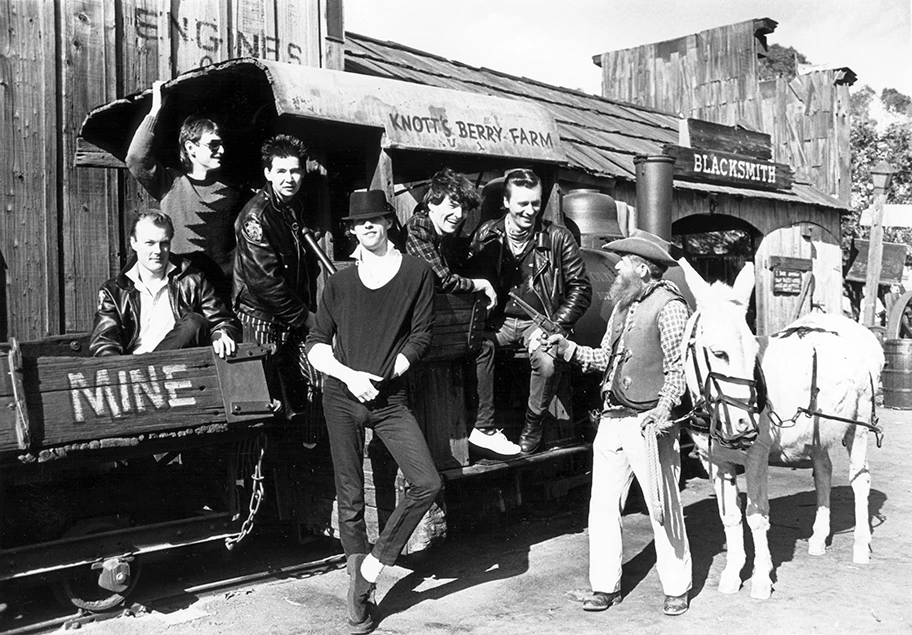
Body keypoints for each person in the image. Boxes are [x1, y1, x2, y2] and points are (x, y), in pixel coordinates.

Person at [306, 190, 440, 634]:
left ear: (387, 223)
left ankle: (373, 568)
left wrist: (389, 373)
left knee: (426, 482)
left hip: (389, 401)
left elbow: (421, 335)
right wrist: (350, 376)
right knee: (349, 496)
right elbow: (316, 345)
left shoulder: (417, 273)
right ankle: (357, 592)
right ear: (351, 230)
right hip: (342, 397)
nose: (367, 228)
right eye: (358, 223)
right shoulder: (340, 283)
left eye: (375, 220)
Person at [546, 229, 692, 617]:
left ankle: (677, 586)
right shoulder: (623, 306)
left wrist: (664, 411)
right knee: (602, 505)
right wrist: (566, 349)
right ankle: (604, 586)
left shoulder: (671, 306)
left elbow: (679, 369)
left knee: (663, 506)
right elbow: (603, 359)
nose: (617, 268)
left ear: (643, 269)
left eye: (624, 262)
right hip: (612, 417)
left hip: (648, 423)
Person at [469, 169, 592, 455]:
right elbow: (470, 276)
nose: (530, 210)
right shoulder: (486, 233)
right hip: (496, 321)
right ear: (506, 202)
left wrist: (556, 327)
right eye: (522, 203)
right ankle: (483, 426)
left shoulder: (558, 238)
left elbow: (581, 289)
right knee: (472, 350)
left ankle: (533, 423)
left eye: (535, 203)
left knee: (547, 362)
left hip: (538, 323)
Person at [126, 80, 249, 299]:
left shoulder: (235, 192)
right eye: (213, 145)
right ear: (191, 148)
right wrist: (155, 110)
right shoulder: (171, 183)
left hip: (220, 296)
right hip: (178, 291)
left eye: (221, 145)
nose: (220, 150)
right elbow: (136, 158)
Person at [233, 134, 319, 429]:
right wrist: (306, 317)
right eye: (281, 171)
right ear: (268, 173)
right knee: (257, 401)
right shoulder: (257, 216)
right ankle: (257, 472)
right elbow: (265, 283)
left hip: (290, 316)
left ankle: (305, 451)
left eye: (295, 171)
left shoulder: (291, 208)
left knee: (315, 378)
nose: (289, 178)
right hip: (261, 319)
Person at [89, 211, 240, 358]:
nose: (158, 251)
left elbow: (221, 321)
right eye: (150, 243)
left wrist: (221, 333)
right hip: (132, 371)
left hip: (181, 368)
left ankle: (151, 364)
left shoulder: (193, 280)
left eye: (164, 243)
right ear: (134, 243)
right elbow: (104, 343)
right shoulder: (114, 291)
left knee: (194, 322)